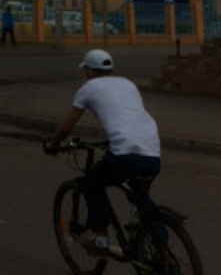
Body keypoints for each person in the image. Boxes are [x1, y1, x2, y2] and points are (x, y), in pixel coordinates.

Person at [46, 49, 161, 259]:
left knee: (92, 184)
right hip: (152, 152)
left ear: (89, 70)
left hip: (125, 153)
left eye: (86, 70)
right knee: (139, 194)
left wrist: (53, 144)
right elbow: (128, 117)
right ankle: (161, 244)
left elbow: (65, 128)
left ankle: (100, 238)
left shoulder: (88, 88)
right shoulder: (128, 84)